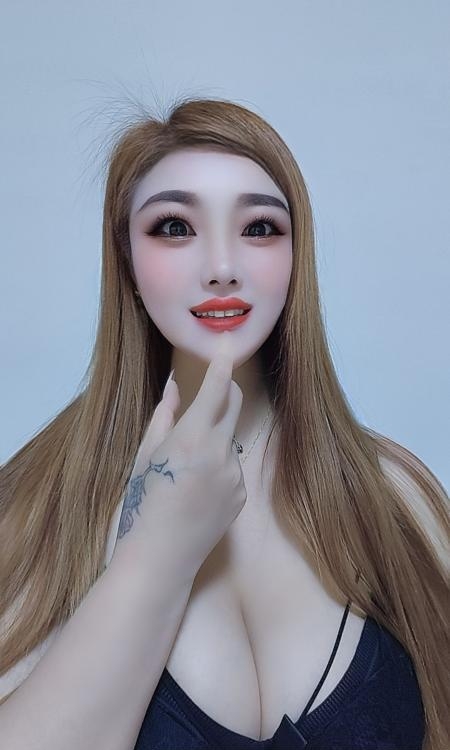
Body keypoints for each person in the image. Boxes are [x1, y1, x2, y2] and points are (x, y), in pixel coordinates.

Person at [0, 96, 448, 750]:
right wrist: (155, 554)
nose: (221, 267)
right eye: (174, 227)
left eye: (259, 228)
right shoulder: (39, 506)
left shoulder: (394, 497)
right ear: (126, 261)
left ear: (297, 257)